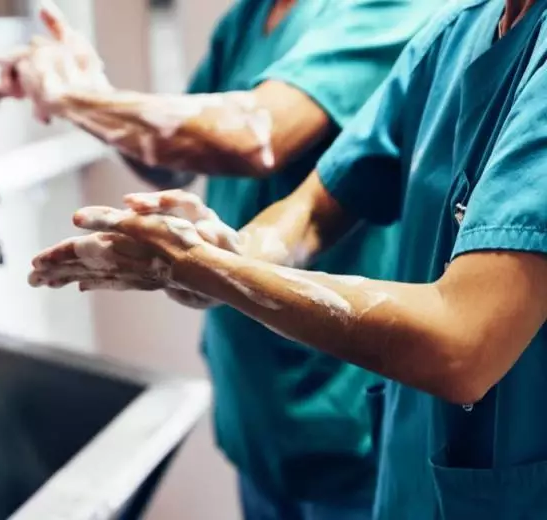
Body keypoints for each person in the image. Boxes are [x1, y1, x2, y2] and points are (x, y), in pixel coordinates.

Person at [30, 0, 547, 518]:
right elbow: (317, 206)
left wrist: (212, 270)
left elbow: (462, 344)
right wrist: (230, 251)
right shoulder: (455, 35)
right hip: (393, 473)